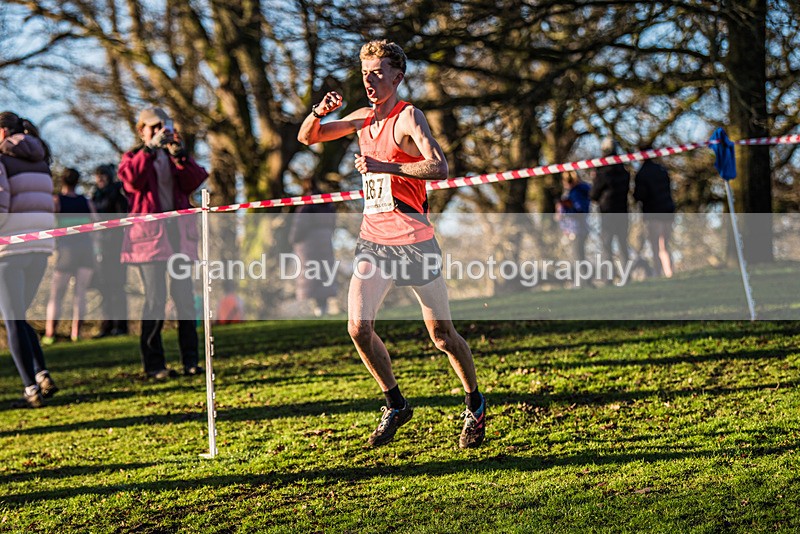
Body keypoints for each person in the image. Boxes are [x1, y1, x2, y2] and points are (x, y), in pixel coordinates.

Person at [298, 40, 485, 448]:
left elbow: (438, 165)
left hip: (415, 241)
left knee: (442, 336)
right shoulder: (363, 118)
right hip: (374, 241)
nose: (369, 80)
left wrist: (387, 165)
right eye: (365, 72)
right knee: (358, 328)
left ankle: (474, 403)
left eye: (377, 72)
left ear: (397, 78)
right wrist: (318, 113)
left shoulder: (408, 117)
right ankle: (396, 404)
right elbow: (308, 138)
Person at [118, 107, 207, 380]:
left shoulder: (173, 155)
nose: (159, 131)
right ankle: (154, 364)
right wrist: (148, 151)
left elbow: (194, 181)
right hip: (149, 238)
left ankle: (190, 361)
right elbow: (131, 182)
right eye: (154, 127)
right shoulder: (133, 157)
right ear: (142, 129)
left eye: (163, 126)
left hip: (178, 234)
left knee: (185, 300)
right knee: (155, 300)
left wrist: (180, 156)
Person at [0, 111, 58, 407]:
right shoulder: (41, 161)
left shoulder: (1, 160)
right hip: (40, 248)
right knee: (19, 316)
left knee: (12, 320)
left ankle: (30, 388)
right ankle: (41, 372)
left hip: (8, 250)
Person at [43, 168, 96, 344]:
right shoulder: (86, 201)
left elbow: (49, 223)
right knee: (80, 294)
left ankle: (50, 334)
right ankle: (76, 333)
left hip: (66, 251)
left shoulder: (57, 200)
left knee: (56, 295)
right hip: (86, 250)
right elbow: (96, 223)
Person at [287, 178, 339, 316]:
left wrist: (292, 239)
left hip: (309, 246)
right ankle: (323, 307)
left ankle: (316, 310)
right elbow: (333, 223)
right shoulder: (327, 204)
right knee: (324, 274)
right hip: (325, 243)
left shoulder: (305, 206)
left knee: (311, 275)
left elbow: (299, 226)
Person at [91, 164, 129, 337]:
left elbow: (123, 221)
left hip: (116, 246)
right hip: (100, 246)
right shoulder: (95, 196)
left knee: (117, 287)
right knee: (104, 287)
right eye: (97, 176)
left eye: (102, 176)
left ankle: (120, 326)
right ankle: (107, 325)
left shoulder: (118, 196)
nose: (99, 180)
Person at [634, 150, 675, 277]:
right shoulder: (662, 170)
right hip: (667, 210)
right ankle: (669, 272)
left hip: (653, 213)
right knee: (665, 244)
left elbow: (640, 194)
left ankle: (658, 272)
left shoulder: (642, 174)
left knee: (656, 245)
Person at [590, 137, 631, 266]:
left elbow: (593, 195)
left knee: (606, 244)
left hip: (607, 212)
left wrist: (595, 179)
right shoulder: (624, 171)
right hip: (623, 210)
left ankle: (609, 277)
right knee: (623, 243)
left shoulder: (603, 172)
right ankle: (627, 275)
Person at [556, 171, 591, 263]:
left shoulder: (576, 193)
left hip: (576, 228)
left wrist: (565, 208)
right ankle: (583, 275)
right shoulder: (576, 192)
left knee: (578, 257)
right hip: (576, 228)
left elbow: (579, 210)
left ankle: (584, 276)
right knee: (578, 256)